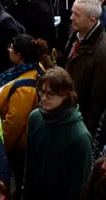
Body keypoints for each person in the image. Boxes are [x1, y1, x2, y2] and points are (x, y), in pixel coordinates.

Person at [24, 68, 94, 200]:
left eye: (51, 94)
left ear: (66, 95)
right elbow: (29, 169)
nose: (44, 98)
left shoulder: (80, 137)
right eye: (42, 92)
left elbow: (78, 188)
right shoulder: (35, 118)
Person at [64, 0, 106, 133]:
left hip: (80, 121)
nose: (71, 17)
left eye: (76, 15)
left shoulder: (104, 54)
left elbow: (99, 101)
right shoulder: (78, 33)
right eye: (72, 12)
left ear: (91, 20)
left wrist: (88, 132)